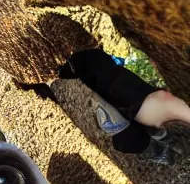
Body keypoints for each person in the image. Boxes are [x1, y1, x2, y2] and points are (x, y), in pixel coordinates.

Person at [59, 48, 190, 163]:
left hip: (142, 106)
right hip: (143, 104)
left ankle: (151, 146)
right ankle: (151, 145)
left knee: (95, 65)